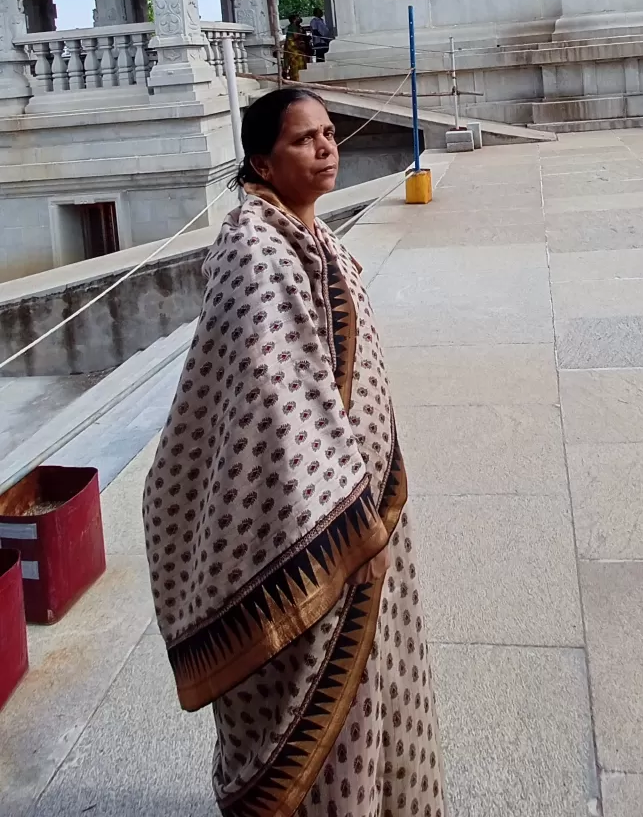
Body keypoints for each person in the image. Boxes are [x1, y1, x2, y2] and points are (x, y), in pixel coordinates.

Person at [143, 87, 445, 817]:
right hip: (310, 526)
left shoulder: (310, 236)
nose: (327, 148)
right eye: (305, 139)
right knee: (316, 702)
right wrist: (343, 528)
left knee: (375, 687)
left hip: (363, 510)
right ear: (261, 162)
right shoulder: (255, 250)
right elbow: (275, 407)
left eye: (330, 134)